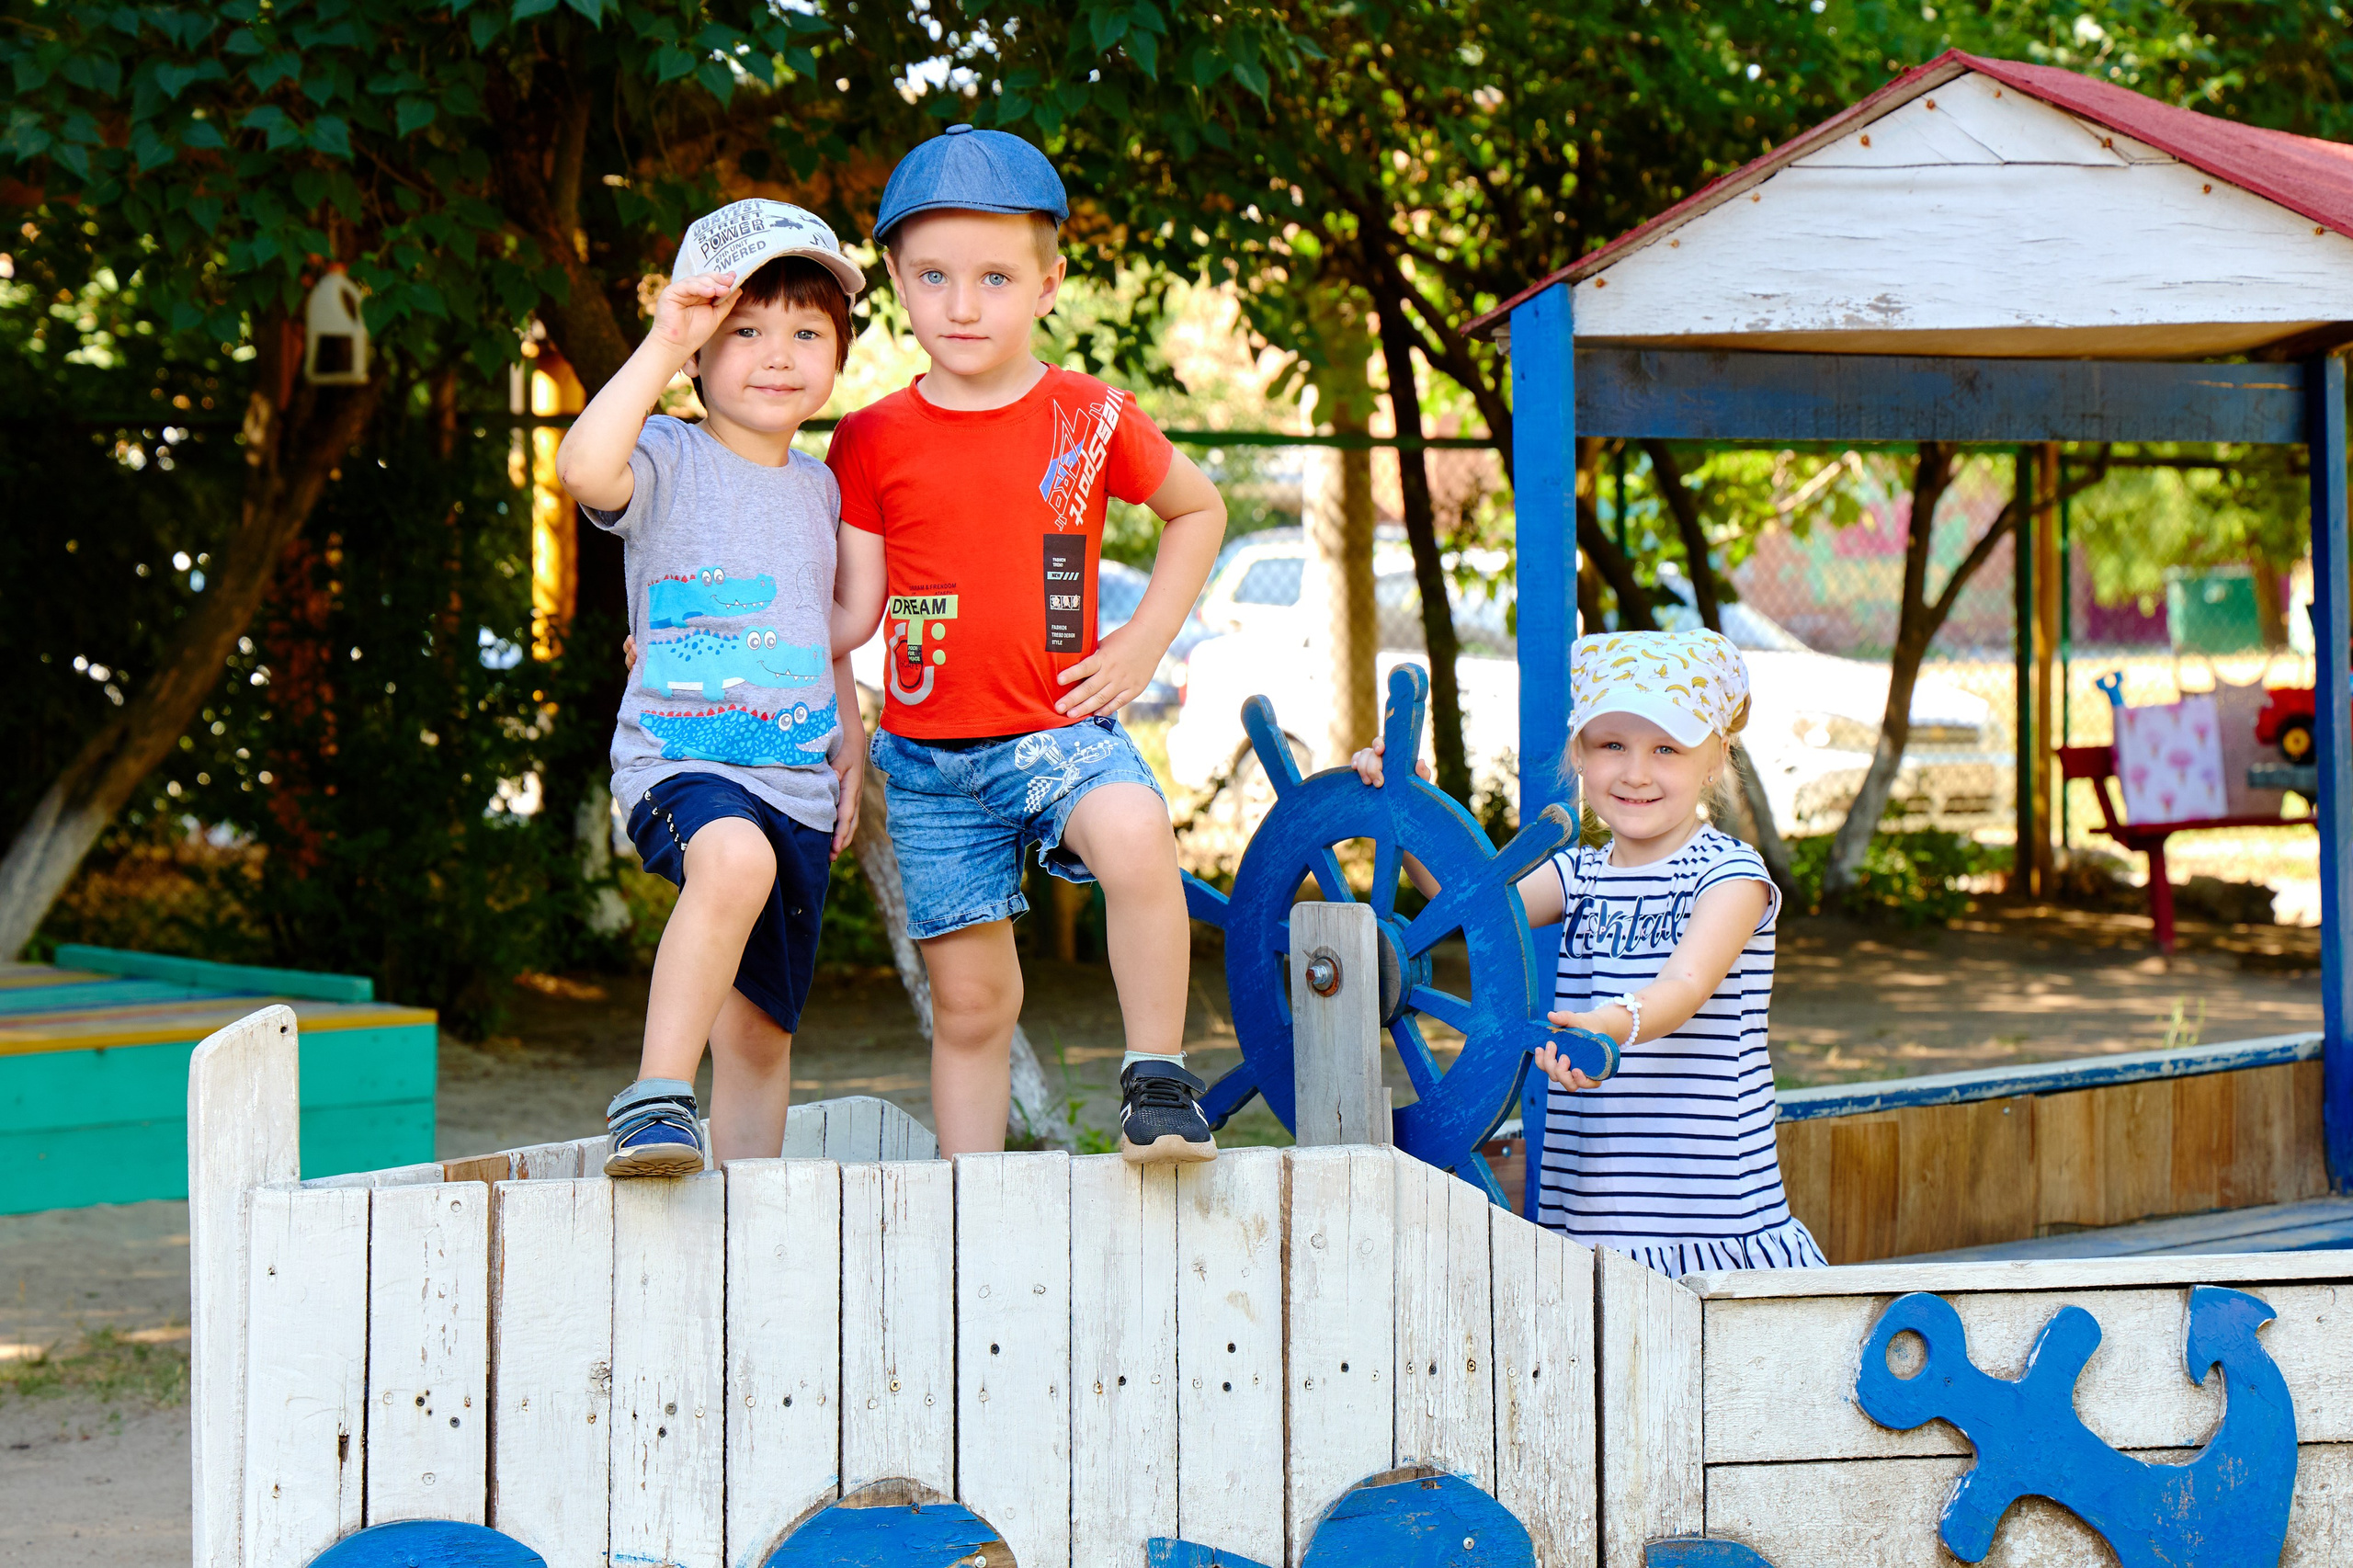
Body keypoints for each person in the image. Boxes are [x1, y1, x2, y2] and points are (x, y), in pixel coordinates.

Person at [828, 127, 1229, 1163]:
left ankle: (1156, 1078)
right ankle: (970, 1197)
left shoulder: (1089, 416)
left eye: (995, 277)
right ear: (898, 284)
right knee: (970, 1002)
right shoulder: (868, 437)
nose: (963, 305)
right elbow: (852, 612)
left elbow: (1199, 511)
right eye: (934, 277)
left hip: (1059, 726)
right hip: (929, 764)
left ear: (1048, 285)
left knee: (1136, 831)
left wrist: (1143, 640)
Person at [555, 200, 873, 1177]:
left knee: (762, 1029)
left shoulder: (821, 487)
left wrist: (849, 731)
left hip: (798, 782)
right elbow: (581, 467)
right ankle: (654, 1098)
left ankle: (750, 1219)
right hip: (683, 760)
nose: (777, 355)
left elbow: (815, 628)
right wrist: (661, 338)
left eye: (805, 332)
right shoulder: (667, 454)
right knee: (731, 862)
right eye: (744, 330)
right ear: (699, 351)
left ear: (838, 355)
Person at [1353, 629, 1825, 1275]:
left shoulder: (1730, 877)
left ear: (1714, 758)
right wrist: (1410, 805)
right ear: (1580, 755)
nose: (1636, 772)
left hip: (1710, 1220)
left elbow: (1683, 988)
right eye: (1612, 745)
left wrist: (1610, 1024)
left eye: (1667, 747)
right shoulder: (1580, 875)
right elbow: (1466, 901)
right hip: (1593, 1220)